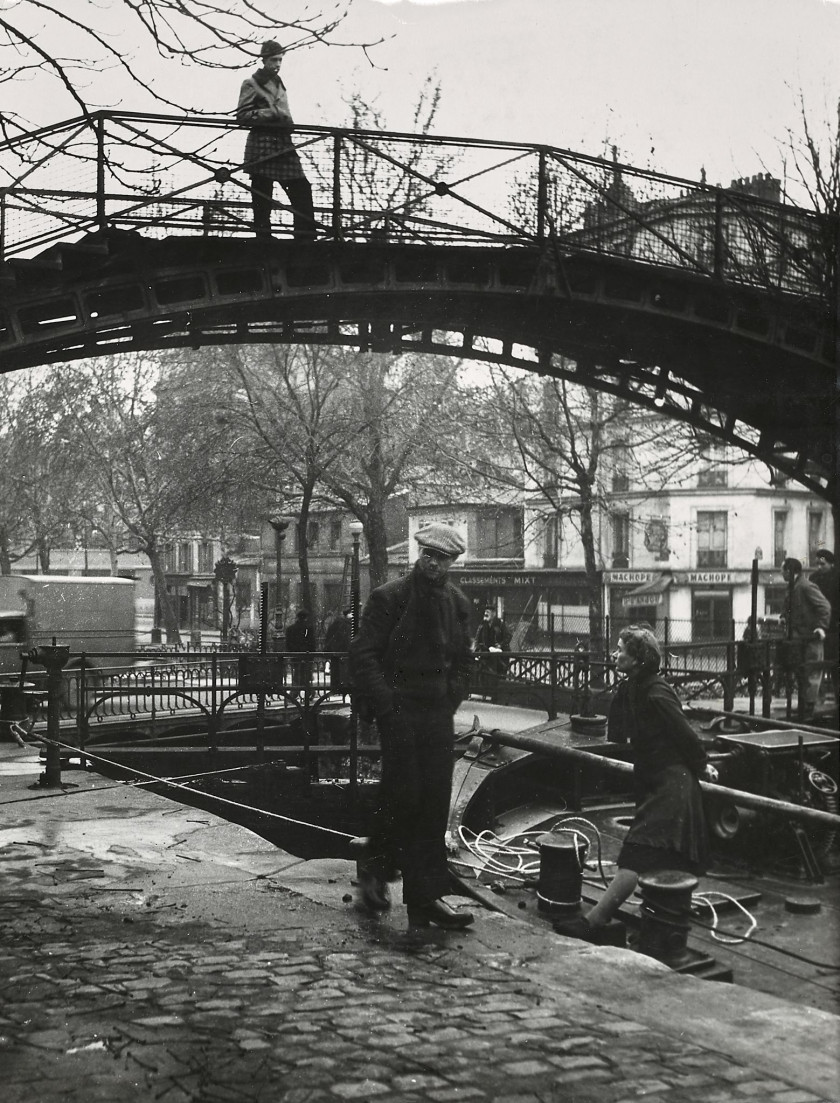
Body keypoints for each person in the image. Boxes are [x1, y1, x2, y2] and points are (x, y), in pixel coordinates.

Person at [554, 625, 716, 945]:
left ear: (638, 659)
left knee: (635, 853)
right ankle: (657, 927)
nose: (615, 654)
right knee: (658, 856)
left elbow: (683, 732)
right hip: (656, 781)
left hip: (673, 784)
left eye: (621, 650)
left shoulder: (657, 691)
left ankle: (594, 922)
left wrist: (702, 766)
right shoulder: (635, 688)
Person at [349, 522, 474, 930]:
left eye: (442, 558)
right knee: (404, 795)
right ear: (418, 554)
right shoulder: (391, 597)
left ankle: (424, 896)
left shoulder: (457, 603)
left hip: (437, 713)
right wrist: (387, 706)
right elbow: (364, 654)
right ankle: (378, 866)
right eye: (428, 555)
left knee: (435, 800)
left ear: (453, 562)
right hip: (399, 710)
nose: (434, 564)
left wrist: (451, 698)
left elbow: (463, 659)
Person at [236, 40, 317, 241]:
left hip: (283, 142)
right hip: (262, 141)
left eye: (280, 60)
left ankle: (305, 235)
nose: (277, 64)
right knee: (263, 190)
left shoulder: (279, 82)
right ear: (263, 59)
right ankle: (264, 235)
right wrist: (270, 113)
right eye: (273, 60)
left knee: (301, 187)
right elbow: (242, 115)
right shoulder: (251, 83)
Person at [781, 557, 831, 721]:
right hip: (800, 639)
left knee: (812, 672)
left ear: (789, 571)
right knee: (803, 672)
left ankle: (809, 709)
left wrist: (821, 627)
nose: (781, 573)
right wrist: (783, 616)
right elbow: (789, 608)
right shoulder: (793, 587)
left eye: (783, 570)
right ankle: (804, 707)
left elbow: (824, 606)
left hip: (810, 638)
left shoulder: (805, 586)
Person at [473, 607, 510, 698]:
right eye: (485, 611)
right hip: (486, 653)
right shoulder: (482, 625)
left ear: (493, 614)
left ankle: (495, 694)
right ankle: (485, 692)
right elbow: (477, 640)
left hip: (499, 655)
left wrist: (500, 645)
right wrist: (477, 650)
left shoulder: (500, 624)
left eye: (488, 612)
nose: (486, 613)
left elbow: (508, 637)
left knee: (497, 673)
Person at [810, 549, 838, 669]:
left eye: (823, 564)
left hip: (835, 624)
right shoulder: (814, 578)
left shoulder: (837, 577)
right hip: (819, 624)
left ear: (831, 564)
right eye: (818, 564)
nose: (820, 567)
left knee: (834, 661)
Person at [324, 608, 353, 697]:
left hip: (336, 651)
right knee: (345, 671)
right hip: (344, 651)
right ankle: (344, 689)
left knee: (337, 670)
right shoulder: (346, 624)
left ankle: (336, 689)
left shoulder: (337, 623)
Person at [285, 609, 313, 691]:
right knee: (306, 673)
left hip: (295, 654)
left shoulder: (290, 629)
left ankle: (295, 691)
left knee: (296, 672)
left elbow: (288, 643)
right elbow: (312, 643)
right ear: (306, 618)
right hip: (306, 654)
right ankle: (309, 691)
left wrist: (291, 652)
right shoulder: (309, 628)